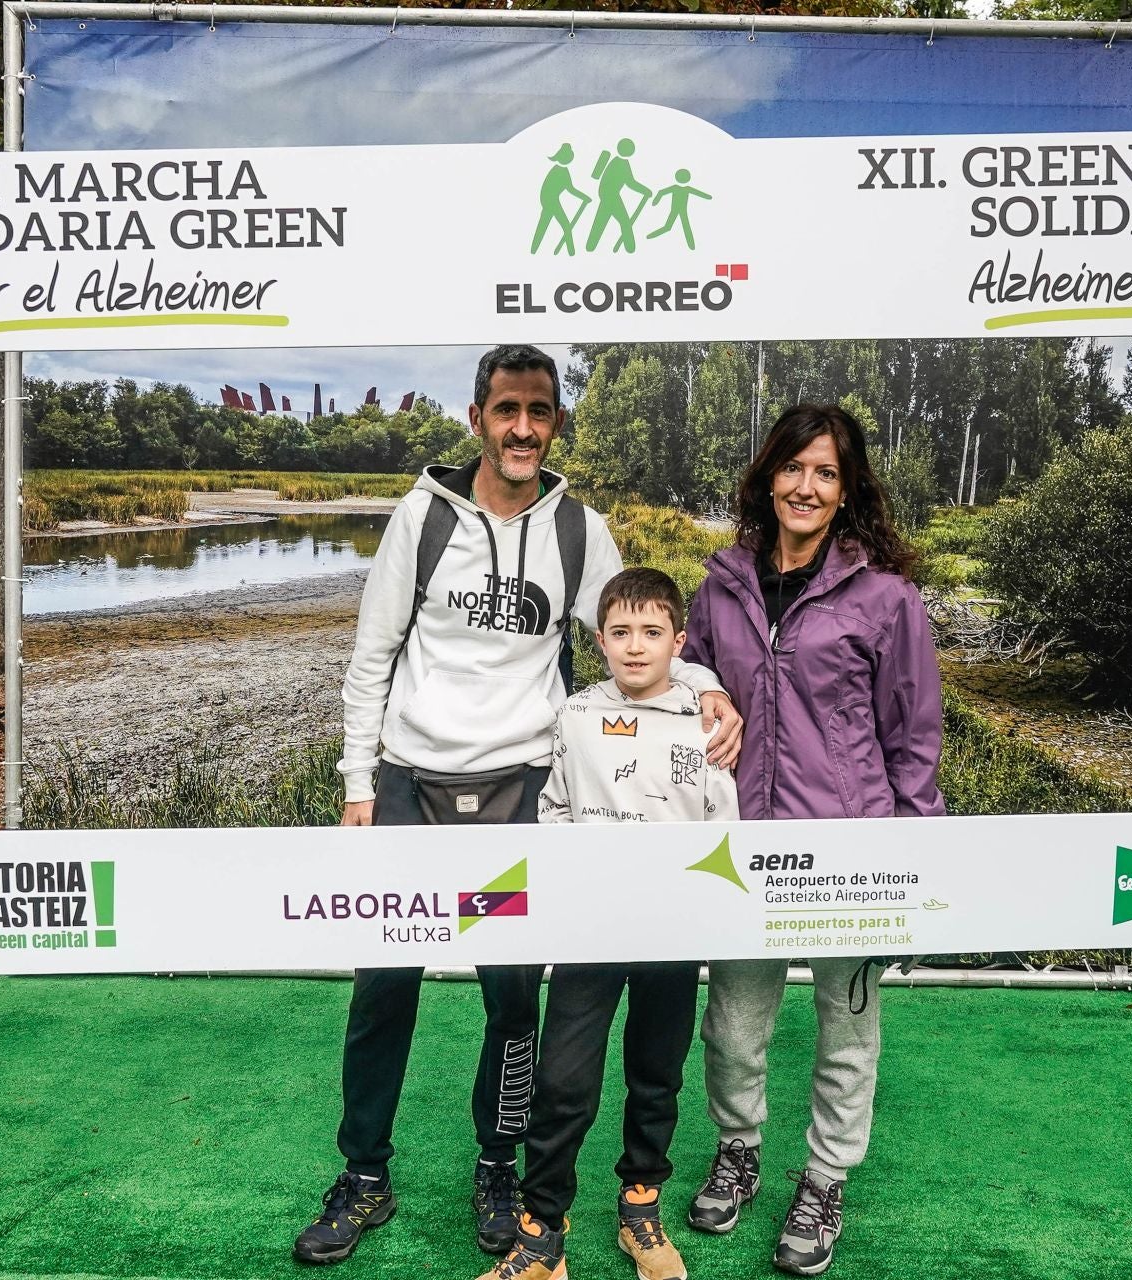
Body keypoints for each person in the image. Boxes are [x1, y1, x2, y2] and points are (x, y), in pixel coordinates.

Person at [294, 345, 741, 1267]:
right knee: (383, 989)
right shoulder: (422, 517)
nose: (523, 427)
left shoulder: (580, 530)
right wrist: (358, 785)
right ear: (478, 418)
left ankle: (499, 1167)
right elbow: (371, 658)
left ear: (556, 423)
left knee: (512, 999)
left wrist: (704, 687)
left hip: (522, 795)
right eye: (508, 409)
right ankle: (364, 1175)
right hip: (412, 788)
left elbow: (632, 632)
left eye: (540, 411)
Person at [678, 403, 944, 1277]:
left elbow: (914, 737)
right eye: (793, 467)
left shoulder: (887, 598)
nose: (806, 486)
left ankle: (825, 1179)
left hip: (853, 852)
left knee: (847, 1032)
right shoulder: (721, 587)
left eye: (826, 472)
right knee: (732, 1028)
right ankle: (738, 1151)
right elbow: (684, 676)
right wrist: (704, 687)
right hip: (742, 848)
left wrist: (914, 862)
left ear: (847, 489)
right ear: (768, 478)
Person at [483, 568, 739, 1280]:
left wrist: (700, 909)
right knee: (562, 1082)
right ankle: (541, 1236)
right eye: (620, 632)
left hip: (671, 932)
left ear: (678, 642)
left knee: (656, 1075)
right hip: (590, 930)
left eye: (652, 632)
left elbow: (723, 828)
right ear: (600, 640)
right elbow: (555, 810)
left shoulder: (707, 719)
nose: (635, 646)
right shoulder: (575, 714)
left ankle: (640, 1208)